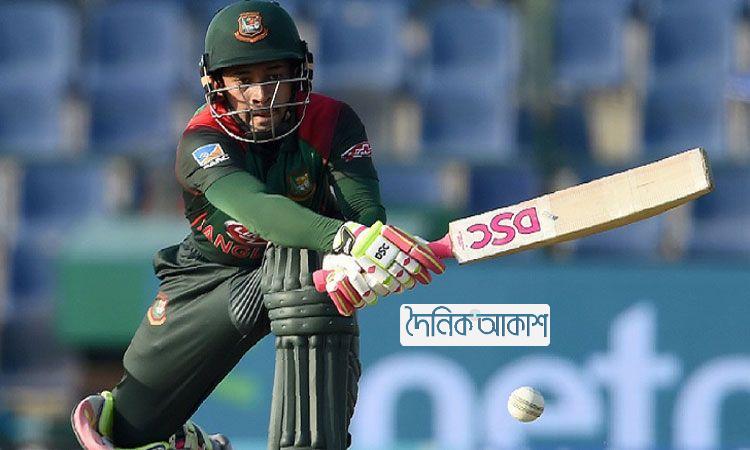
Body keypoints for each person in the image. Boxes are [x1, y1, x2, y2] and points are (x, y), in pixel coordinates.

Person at [70, 1, 445, 449]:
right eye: (242, 80)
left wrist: (372, 249)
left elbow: (363, 210)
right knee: (125, 431)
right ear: (216, 85)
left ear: (298, 72)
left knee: (302, 272)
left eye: (272, 76)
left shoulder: (333, 121)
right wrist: (348, 240)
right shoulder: (201, 140)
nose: (259, 94)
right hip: (209, 277)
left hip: (314, 273)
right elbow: (258, 209)